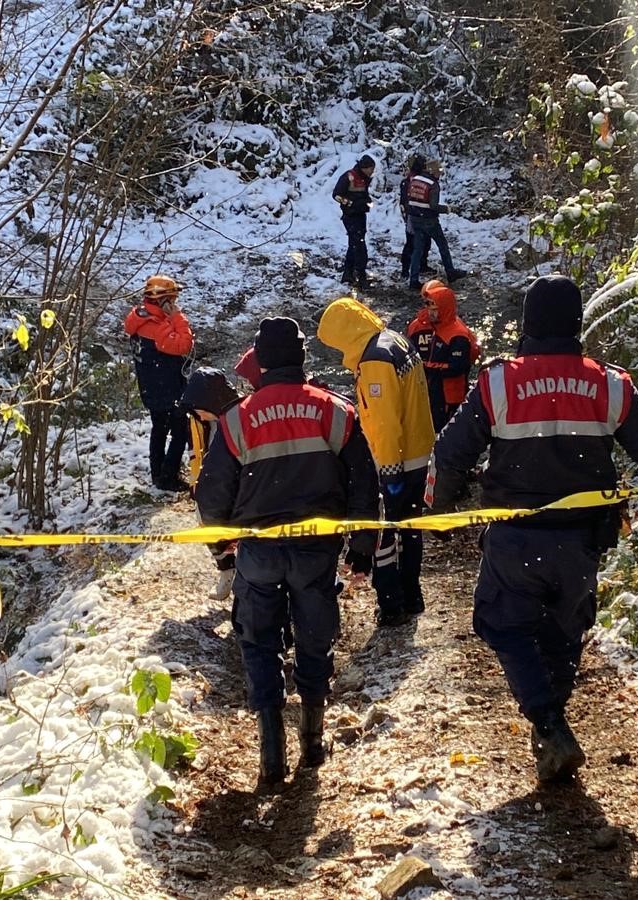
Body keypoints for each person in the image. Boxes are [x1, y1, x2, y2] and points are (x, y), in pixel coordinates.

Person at [426, 275, 638, 783]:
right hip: (583, 540)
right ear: (577, 322)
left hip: (515, 536)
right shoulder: (610, 383)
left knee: (503, 624)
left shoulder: (500, 382)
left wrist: (440, 509)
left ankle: (549, 722)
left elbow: (451, 453)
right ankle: (552, 731)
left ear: (526, 323)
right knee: (566, 631)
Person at [196, 317, 379, 790]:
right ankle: (313, 743)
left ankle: (271, 754)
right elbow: (364, 482)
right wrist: (361, 547)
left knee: (258, 641)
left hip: (258, 552)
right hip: (316, 551)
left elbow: (213, 492)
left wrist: (222, 543)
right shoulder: (335, 410)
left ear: (260, 359)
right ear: (301, 356)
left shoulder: (237, 418)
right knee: (315, 637)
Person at [317, 297, 436, 627]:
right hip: (419, 451)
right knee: (411, 532)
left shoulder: (374, 362)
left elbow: (383, 425)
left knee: (385, 536)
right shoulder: (394, 341)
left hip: (395, 460)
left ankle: (392, 603)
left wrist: (387, 472)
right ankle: (412, 595)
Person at [124, 275, 194, 492]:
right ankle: (168, 477)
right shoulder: (158, 328)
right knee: (180, 431)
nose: (175, 304)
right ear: (163, 301)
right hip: (169, 389)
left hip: (150, 387)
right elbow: (184, 344)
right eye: (172, 300)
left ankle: (157, 473)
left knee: (159, 429)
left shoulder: (138, 318)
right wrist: (177, 317)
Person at [180, 368, 244, 601]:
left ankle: (244, 580)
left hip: (239, 486)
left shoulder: (239, 417)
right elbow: (195, 455)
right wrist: (196, 486)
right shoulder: (196, 422)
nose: (197, 413)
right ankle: (227, 571)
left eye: (200, 408)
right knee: (209, 529)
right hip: (209, 487)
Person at [406, 279, 480, 431]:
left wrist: (425, 367)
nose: (430, 311)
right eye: (427, 304)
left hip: (450, 396)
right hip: (429, 392)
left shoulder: (457, 333)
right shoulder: (421, 326)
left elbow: (460, 365)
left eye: (433, 306)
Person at [405, 158, 469, 289]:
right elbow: (433, 205)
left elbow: (409, 198)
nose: (440, 173)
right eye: (439, 171)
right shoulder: (433, 184)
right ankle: (450, 272)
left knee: (417, 250)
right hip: (429, 220)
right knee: (442, 245)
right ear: (432, 171)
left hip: (415, 218)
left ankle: (413, 279)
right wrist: (448, 209)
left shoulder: (415, 179)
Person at [333, 156, 376, 288]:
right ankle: (361, 275)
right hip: (351, 216)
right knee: (359, 246)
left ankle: (348, 273)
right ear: (365, 167)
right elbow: (336, 195)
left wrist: (366, 201)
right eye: (370, 169)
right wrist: (351, 204)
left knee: (354, 244)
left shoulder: (364, 179)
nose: (372, 172)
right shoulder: (349, 177)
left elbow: (363, 194)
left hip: (360, 214)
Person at [398, 155, 433, 280]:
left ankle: (422, 265)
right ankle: (405, 269)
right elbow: (405, 200)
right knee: (411, 243)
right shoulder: (409, 182)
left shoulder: (420, 180)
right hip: (413, 216)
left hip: (421, 214)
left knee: (425, 241)